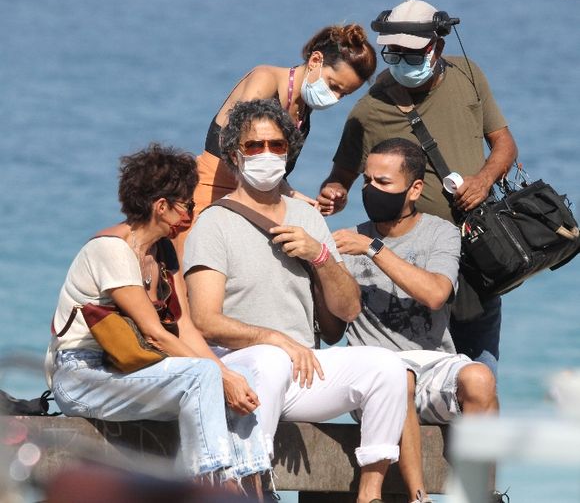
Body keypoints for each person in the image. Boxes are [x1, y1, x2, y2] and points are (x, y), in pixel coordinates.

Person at [184, 99, 408, 503]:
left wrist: (319, 256)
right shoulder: (214, 223)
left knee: (388, 368)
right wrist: (274, 339)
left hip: (302, 368)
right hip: (239, 367)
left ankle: (370, 494)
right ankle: (254, 486)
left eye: (276, 146)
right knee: (270, 361)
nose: (267, 154)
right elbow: (203, 321)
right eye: (255, 146)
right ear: (235, 153)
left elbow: (348, 310)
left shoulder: (308, 219)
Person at [45, 143, 270, 495]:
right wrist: (219, 374)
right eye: (188, 205)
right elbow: (155, 334)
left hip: (129, 372)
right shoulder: (111, 249)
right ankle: (213, 487)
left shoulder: (163, 252)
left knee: (227, 382)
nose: (192, 214)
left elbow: (183, 327)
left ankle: (255, 488)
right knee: (207, 375)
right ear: (161, 206)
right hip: (81, 376)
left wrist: (228, 377)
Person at [318, 0, 518, 377]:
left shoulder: (468, 75)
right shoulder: (368, 111)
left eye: (412, 53)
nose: (402, 61)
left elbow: (504, 144)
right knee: (411, 376)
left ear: (438, 46)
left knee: (479, 372)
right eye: (393, 53)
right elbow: (340, 177)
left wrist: (483, 179)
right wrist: (335, 193)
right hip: (410, 265)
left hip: (475, 254)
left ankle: (472, 435)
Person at [332, 138, 502, 503]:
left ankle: (481, 494)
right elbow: (332, 326)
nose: (370, 190)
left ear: (415, 189)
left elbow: (436, 293)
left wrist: (374, 250)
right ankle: (419, 498)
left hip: (433, 365)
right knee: (399, 377)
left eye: (383, 182)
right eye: (367, 181)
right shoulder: (347, 242)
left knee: (480, 378)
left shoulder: (440, 233)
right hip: (375, 376)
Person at [193, 23, 377, 216]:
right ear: (315, 60)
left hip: (256, 204)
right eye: (333, 86)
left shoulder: (303, 111)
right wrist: (289, 193)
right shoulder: (266, 79)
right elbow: (241, 148)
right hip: (212, 196)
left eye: (344, 94)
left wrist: (303, 201)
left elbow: (268, 171)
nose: (336, 97)